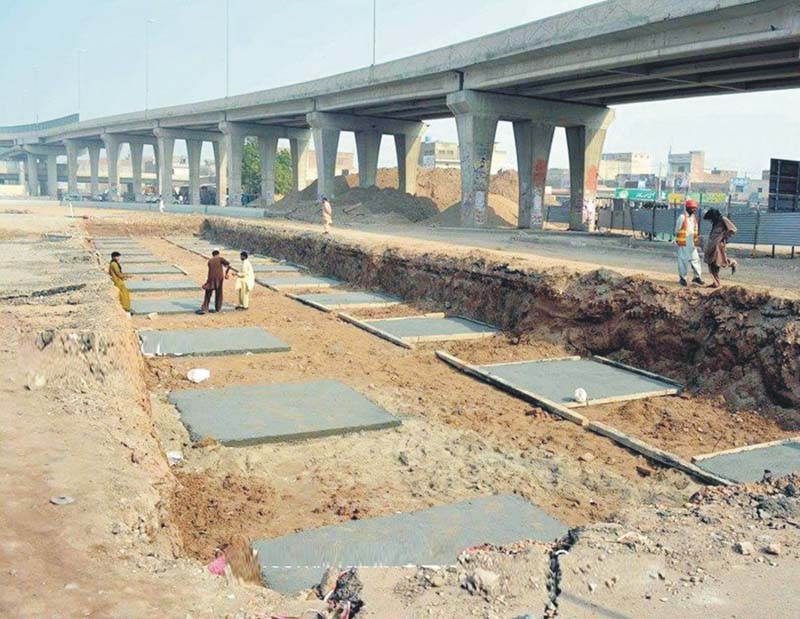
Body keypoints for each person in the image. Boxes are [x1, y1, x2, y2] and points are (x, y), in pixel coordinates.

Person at [703, 208, 738, 288]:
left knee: (718, 262)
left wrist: (724, 236)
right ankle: (716, 283)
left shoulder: (723, 219)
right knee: (711, 263)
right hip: (712, 245)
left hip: (719, 246)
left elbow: (733, 230)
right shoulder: (715, 223)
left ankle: (732, 263)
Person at [675, 199, 704, 287]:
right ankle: (683, 278)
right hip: (684, 242)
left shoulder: (693, 218)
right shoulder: (682, 217)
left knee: (696, 260)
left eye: (694, 208)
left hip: (692, 243)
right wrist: (679, 240)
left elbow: (696, 230)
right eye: (691, 208)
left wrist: (696, 242)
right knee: (683, 261)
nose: (693, 210)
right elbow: (677, 230)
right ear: (687, 208)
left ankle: (697, 277)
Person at [197, 250, 231, 314]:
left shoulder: (210, 261)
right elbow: (228, 265)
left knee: (208, 294)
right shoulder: (220, 258)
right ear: (218, 254)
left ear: (213, 255)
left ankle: (204, 308)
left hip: (211, 279)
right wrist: (226, 273)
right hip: (219, 279)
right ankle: (218, 308)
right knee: (219, 294)